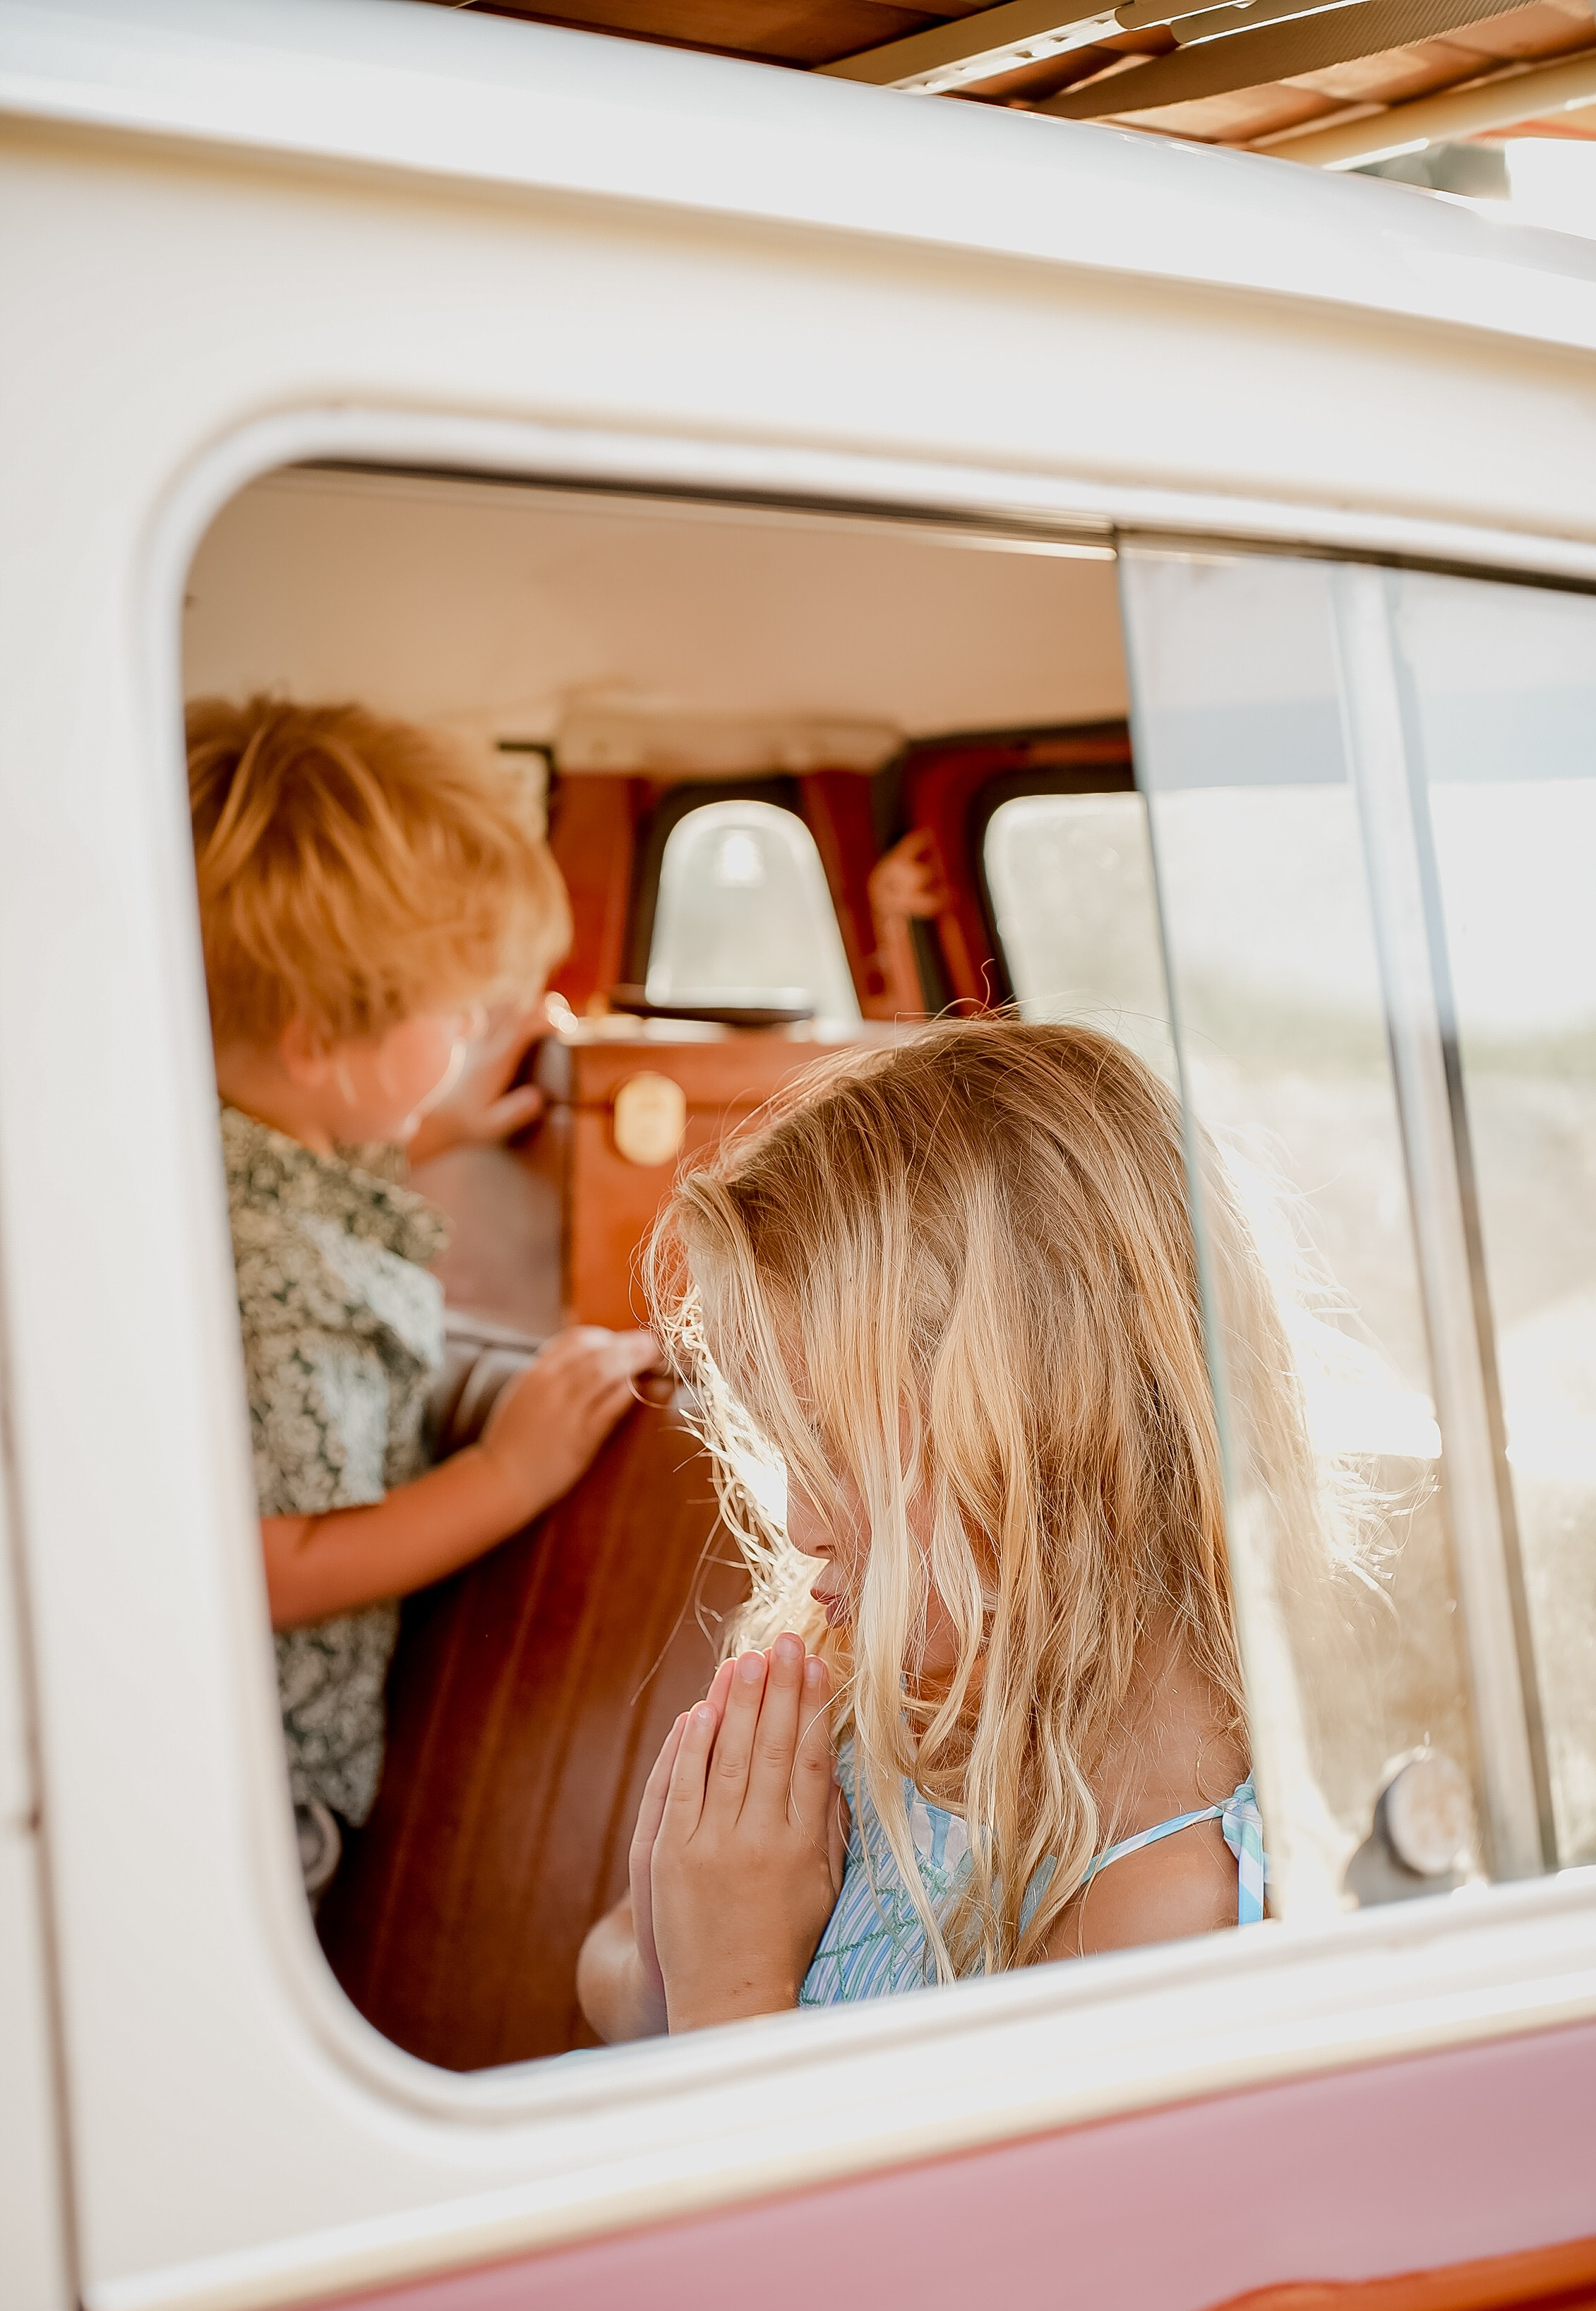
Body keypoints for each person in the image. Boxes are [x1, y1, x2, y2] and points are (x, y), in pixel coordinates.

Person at [577, 1019, 1354, 2039]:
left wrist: (730, 1990)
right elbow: (612, 1960)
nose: (799, 1525)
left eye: (835, 1453)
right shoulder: (875, 1687)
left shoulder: (1167, 1914)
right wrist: (671, 1951)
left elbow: (834, 2153)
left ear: (1038, 1440)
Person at [189, 696, 658, 1898]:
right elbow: (276, 1565)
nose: (469, 1033)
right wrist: (508, 1473)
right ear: (316, 1042)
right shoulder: (280, 1275)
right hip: (254, 1801)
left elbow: (312, 1176)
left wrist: (432, 1122)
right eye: (451, 1016)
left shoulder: (215, 1164)